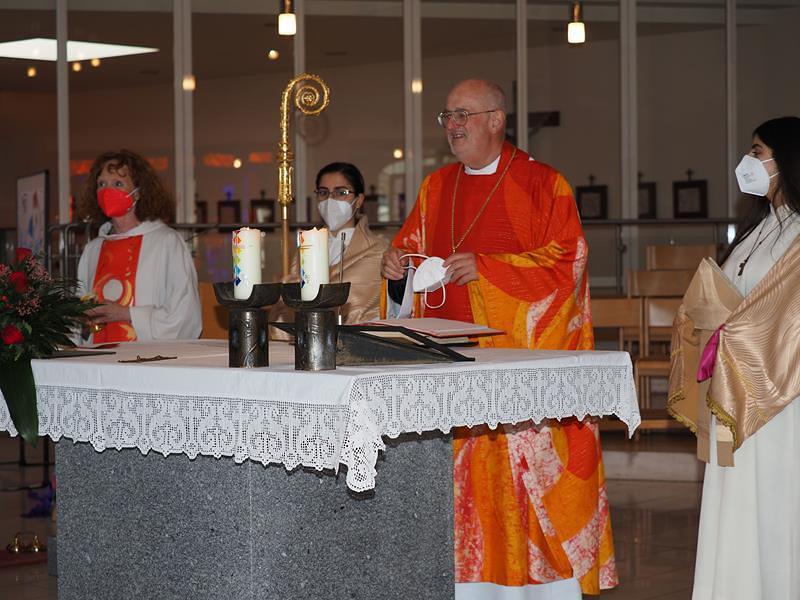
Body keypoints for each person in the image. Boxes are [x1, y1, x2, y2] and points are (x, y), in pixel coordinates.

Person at [381, 79, 616, 598]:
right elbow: (410, 254)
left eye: (462, 114)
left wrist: (488, 271)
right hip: (447, 365)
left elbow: (568, 264)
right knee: (463, 494)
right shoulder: (436, 187)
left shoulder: (543, 184)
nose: (452, 125)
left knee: (522, 491)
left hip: (515, 372)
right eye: (447, 116)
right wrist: (397, 270)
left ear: (496, 119)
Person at [684, 117, 800, 600]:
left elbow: (789, 314)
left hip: (777, 393)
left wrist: (736, 330)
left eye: (757, 151)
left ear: (786, 159)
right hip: (734, 382)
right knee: (733, 495)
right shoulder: (758, 228)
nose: (748, 162)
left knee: (771, 496)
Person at [77, 149, 201, 342]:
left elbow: (185, 315)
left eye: (118, 184)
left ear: (138, 192)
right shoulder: (93, 249)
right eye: (101, 184)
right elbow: (78, 312)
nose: (107, 191)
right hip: (98, 357)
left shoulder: (167, 242)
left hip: (147, 358)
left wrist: (126, 314)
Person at [271, 162, 388, 328]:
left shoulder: (377, 250)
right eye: (323, 192)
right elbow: (286, 308)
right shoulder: (306, 247)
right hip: (310, 335)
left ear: (359, 200)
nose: (330, 200)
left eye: (341, 193)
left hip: (357, 338)